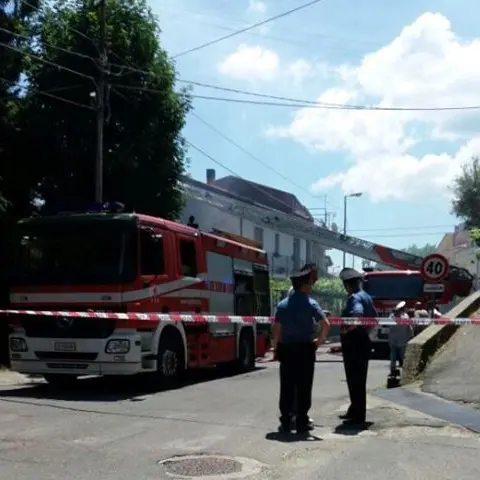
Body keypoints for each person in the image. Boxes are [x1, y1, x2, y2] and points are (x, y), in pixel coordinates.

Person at [272, 265, 330, 434]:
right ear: (305, 285)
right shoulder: (311, 303)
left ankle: (285, 421)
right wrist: (318, 342)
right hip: (305, 350)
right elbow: (326, 324)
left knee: (287, 386)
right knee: (304, 386)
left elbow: (276, 328)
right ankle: (302, 421)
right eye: (310, 283)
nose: (312, 286)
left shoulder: (282, 305)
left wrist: (276, 347)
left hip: (287, 350)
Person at [338, 267, 377, 425]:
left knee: (354, 380)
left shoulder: (354, 298)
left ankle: (358, 415)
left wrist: (346, 330)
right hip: (363, 340)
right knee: (359, 379)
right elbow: (373, 319)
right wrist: (366, 332)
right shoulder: (367, 297)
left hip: (353, 343)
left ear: (348, 285)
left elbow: (357, 317)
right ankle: (355, 409)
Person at [388, 301, 413, 376]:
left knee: (393, 357)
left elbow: (387, 327)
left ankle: (392, 371)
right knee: (403, 356)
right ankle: (406, 372)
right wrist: (410, 337)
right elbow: (410, 328)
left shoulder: (391, 317)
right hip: (402, 340)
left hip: (393, 340)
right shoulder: (405, 316)